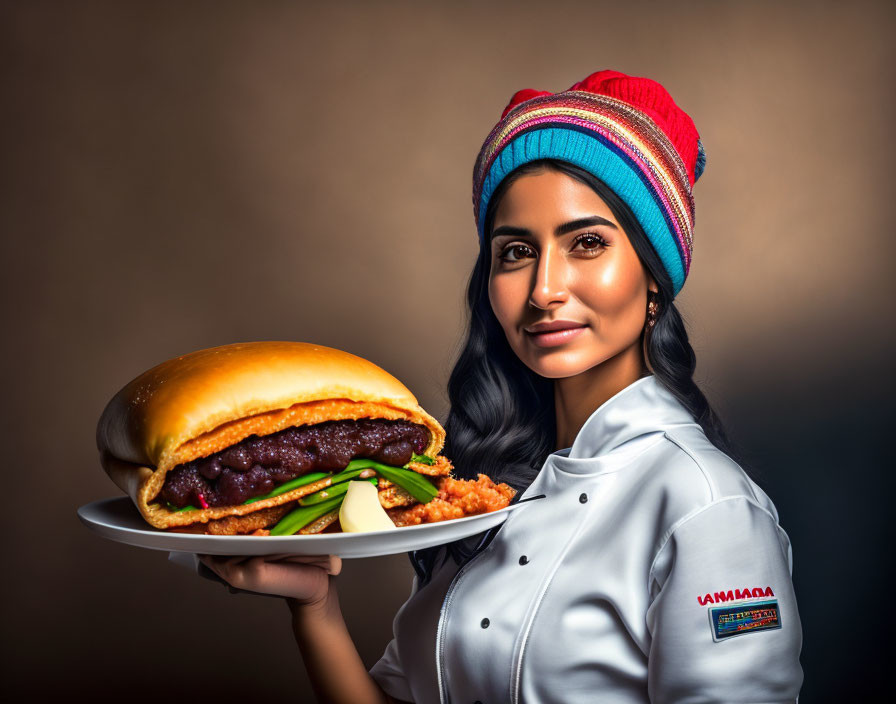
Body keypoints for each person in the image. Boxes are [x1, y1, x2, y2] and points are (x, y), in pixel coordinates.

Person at [199, 69, 804, 703]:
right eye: (515, 252)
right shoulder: (488, 488)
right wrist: (315, 607)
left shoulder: (707, 506)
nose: (544, 289)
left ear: (654, 278)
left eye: (588, 243)